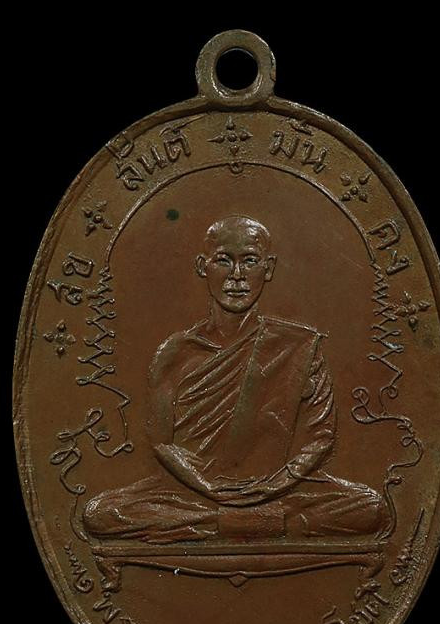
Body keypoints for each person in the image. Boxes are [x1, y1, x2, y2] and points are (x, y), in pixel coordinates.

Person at [83, 215, 390, 544]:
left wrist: (274, 485)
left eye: (250, 261)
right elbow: (161, 441)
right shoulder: (175, 352)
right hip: (193, 492)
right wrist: (206, 486)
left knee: (370, 507)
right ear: (202, 266)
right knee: (101, 513)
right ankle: (259, 523)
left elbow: (321, 437)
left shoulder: (298, 345)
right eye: (224, 260)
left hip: (279, 489)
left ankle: (222, 524)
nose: (237, 276)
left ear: (268, 268)